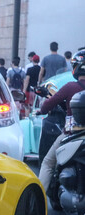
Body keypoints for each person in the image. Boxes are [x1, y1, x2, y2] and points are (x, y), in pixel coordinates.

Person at [38, 49, 85, 192]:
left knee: (47, 163)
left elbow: (47, 104)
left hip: (72, 134)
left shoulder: (70, 87)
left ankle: (39, 200)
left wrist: (43, 109)